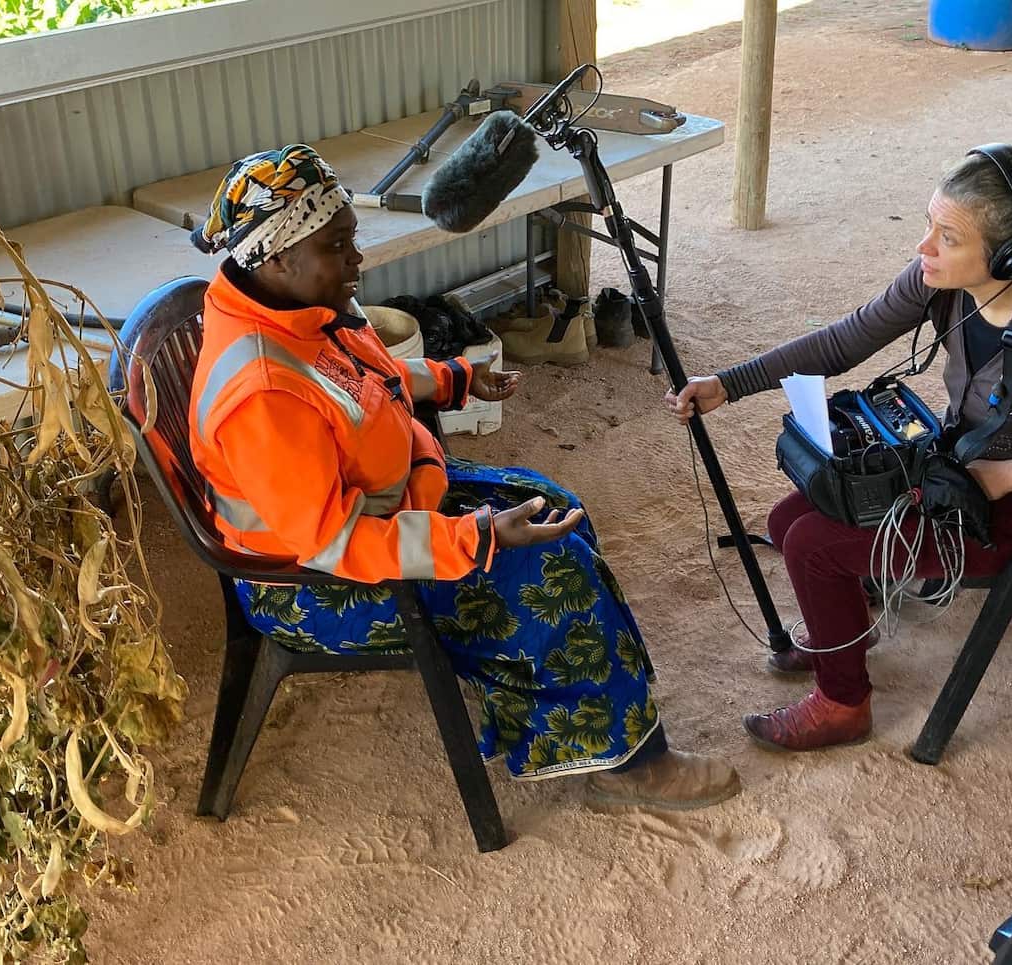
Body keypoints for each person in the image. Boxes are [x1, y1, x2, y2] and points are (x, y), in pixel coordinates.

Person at [187, 144, 741, 809]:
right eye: (339, 246)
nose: (356, 259)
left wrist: (454, 378)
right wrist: (473, 539)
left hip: (391, 509)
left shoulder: (301, 306)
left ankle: (560, 700)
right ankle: (627, 761)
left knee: (555, 505)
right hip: (318, 588)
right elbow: (335, 544)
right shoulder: (261, 392)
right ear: (278, 257)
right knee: (551, 573)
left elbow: (364, 383)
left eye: (351, 239)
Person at [667, 144, 1012, 751]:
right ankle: (847, 630)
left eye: (947, 236)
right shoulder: (941, 284)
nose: (923, 247)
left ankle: (844, 705)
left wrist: (1011, 476)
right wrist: (730, 384)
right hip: (960, 471)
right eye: (929, 225)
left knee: (816, 547)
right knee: (790, 516)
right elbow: (846, 340)